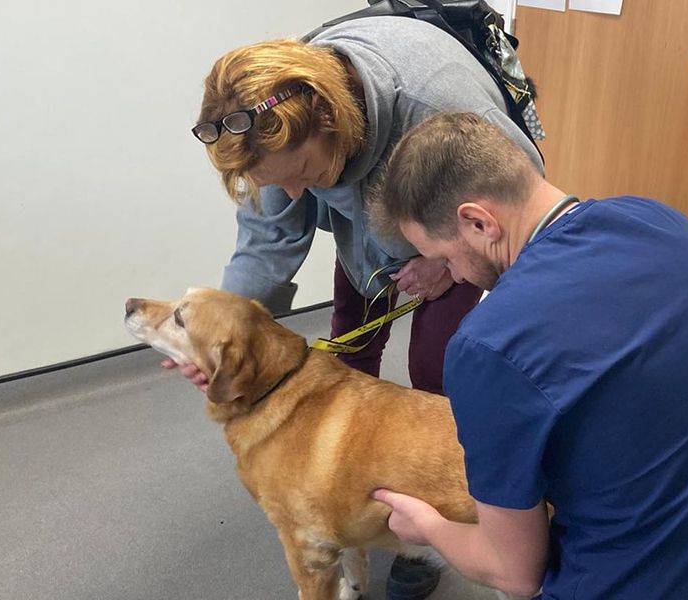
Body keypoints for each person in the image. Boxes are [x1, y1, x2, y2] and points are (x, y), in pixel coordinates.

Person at [170, 16, 544, 600]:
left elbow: (520, 209)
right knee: (344, 358)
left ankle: (439, 533)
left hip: (453, 236)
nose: (295, 196)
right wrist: (218, 335)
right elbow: (267, 242)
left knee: (440, 374)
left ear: (331, 119)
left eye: (306, 175)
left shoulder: (437, 100)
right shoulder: (269, 131)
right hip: (366, 231)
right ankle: (351, 503)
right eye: (280, 184)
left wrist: (446, 262)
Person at [369, 111, 688, 599]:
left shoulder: (488, 345)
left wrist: (427, 529)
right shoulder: (657, 219)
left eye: (444, 258)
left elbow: (513, 572)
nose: (454, 275)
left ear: (478, 222)